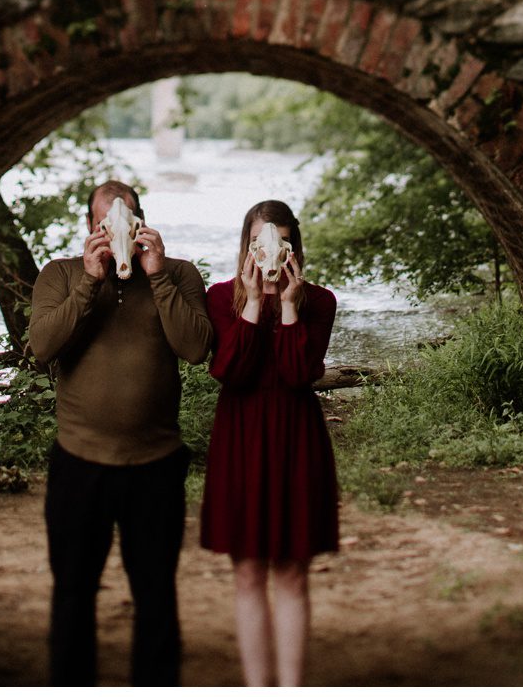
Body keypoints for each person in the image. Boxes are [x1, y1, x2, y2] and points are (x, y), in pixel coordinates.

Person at [27, 179, 212, 686]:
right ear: (89, 226)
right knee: (73, 592)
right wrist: (89, 281)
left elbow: (195, 348)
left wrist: (157, 277)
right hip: (79, 462)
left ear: (142, 220)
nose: (114, 229)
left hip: (154, 463)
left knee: (155, 593)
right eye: (103, 220)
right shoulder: (60, 274)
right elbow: (42, 347)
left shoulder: (178, 274)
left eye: (125, 218)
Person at [198, 199, 340, 687]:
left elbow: (301, 374)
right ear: (247, 246)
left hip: (296, 437)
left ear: (294, 248)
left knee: (292, 573)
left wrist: (289, 307)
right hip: (241, 436)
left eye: (280, 241)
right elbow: (231, 373)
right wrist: (255, 304)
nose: (270, 252)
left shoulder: (318, 302)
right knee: (248, 572)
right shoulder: (220, 299)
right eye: (261, 242)